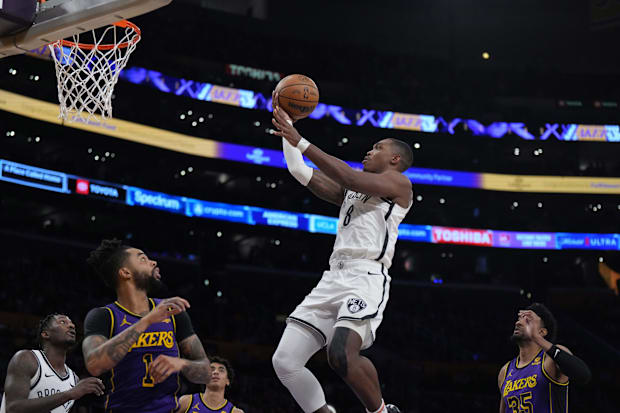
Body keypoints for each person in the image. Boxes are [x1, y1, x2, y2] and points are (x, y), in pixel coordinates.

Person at [270, 95, 412, 413]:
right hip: (333, 276)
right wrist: (288, 127)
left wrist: (301, 139)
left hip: (366, 276)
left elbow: (348, 176)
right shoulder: (353, 191)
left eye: (378, 147)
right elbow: (298, 169)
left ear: (395, 160)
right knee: (285, 361)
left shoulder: (399, 184)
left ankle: (380, 412)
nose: (369, 150)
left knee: (340, 354)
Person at [82, 239, 212, 413]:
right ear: (125, 272)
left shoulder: (172, 312)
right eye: (142, 259)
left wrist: (180, 363)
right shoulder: (104, 316)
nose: (154, 262)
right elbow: (94, 365)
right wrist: (147, 321)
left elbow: (205, 372)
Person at [1, 313, 105, 413]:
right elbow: (12, 408)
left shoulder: (74, 379)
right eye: (63, 322)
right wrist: (69, 394)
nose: (71, 326)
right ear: (46, 334)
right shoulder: (26, 359)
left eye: (72, 324)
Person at [498, 303, 591, 413]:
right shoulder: (505, 371)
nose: (518, 323)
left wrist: (537, 338)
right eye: (519, 318)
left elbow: (584, 375)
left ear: (542, 332)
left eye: (527, 320)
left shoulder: (549, 360)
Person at [175, 356, 244, 413]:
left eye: (221, 370)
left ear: (227, 381)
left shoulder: (235, 412)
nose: (216, 372)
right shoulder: (186, 401)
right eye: (211, 369)